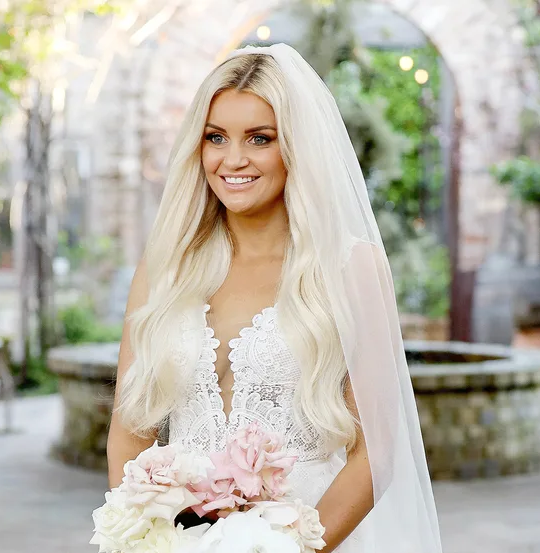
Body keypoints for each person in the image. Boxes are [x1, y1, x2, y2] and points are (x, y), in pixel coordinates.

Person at [106, 42, 441, 552]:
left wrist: (290, 549)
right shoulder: (164, 270)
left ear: (295, 147)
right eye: (215, 137)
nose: (232, 159)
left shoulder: (350, 268)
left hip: (314, 540)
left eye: (259, 139)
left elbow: (376, 452)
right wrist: (141, 537)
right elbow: (131, 431)